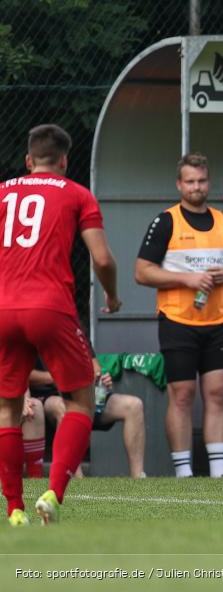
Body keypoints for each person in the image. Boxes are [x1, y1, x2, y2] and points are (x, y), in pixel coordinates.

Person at [0, 124, 121, 526]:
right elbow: (102, 259)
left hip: (3, 308)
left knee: (6, 408)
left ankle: (14, 509)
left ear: (28, 159)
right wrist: (112, 295)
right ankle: (53, 493)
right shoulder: (76, 194)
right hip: (49, 307)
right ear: (65, 161)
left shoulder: (2, 192)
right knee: (81, 401)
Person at [134, 153, 223, 478]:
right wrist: (187, 279)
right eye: (190, 181)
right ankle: (184, 473)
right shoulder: (166, 221)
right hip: (177, 321)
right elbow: (142, 272)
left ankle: (218, 473)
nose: (196, 187)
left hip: (217, 321)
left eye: (201, 181)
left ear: (208, 182)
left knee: (216, 393)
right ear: (179, 184)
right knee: (182, 395)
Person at [42, 359, 146, 479]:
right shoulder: (36, 341)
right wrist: (59, 377)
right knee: (65, 407)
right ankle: (76, 478)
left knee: (134, 405)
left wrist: (101, 379)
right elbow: (28, 375)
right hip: (48, 396)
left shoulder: (81, 339)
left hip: (85, 395)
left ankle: (138, 477)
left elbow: (95, 368)